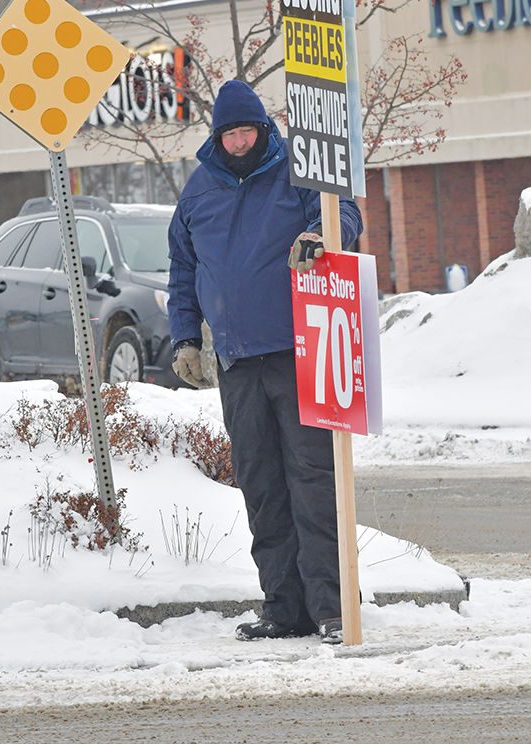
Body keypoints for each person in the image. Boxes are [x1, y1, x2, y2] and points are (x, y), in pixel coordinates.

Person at [167, 80, 363, 645]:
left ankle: (332, 608)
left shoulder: (297, 171)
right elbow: (183, 270)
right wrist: (185, 339)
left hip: (297, 351)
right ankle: (284, 608)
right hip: (235, 361)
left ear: (263, 127)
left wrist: (319, 237)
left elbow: (341, 212)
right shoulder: (198, 191)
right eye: (230, 132)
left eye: (247, 129)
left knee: (312, 478)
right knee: (260, 484)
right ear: (217, 136)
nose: (239, 140)